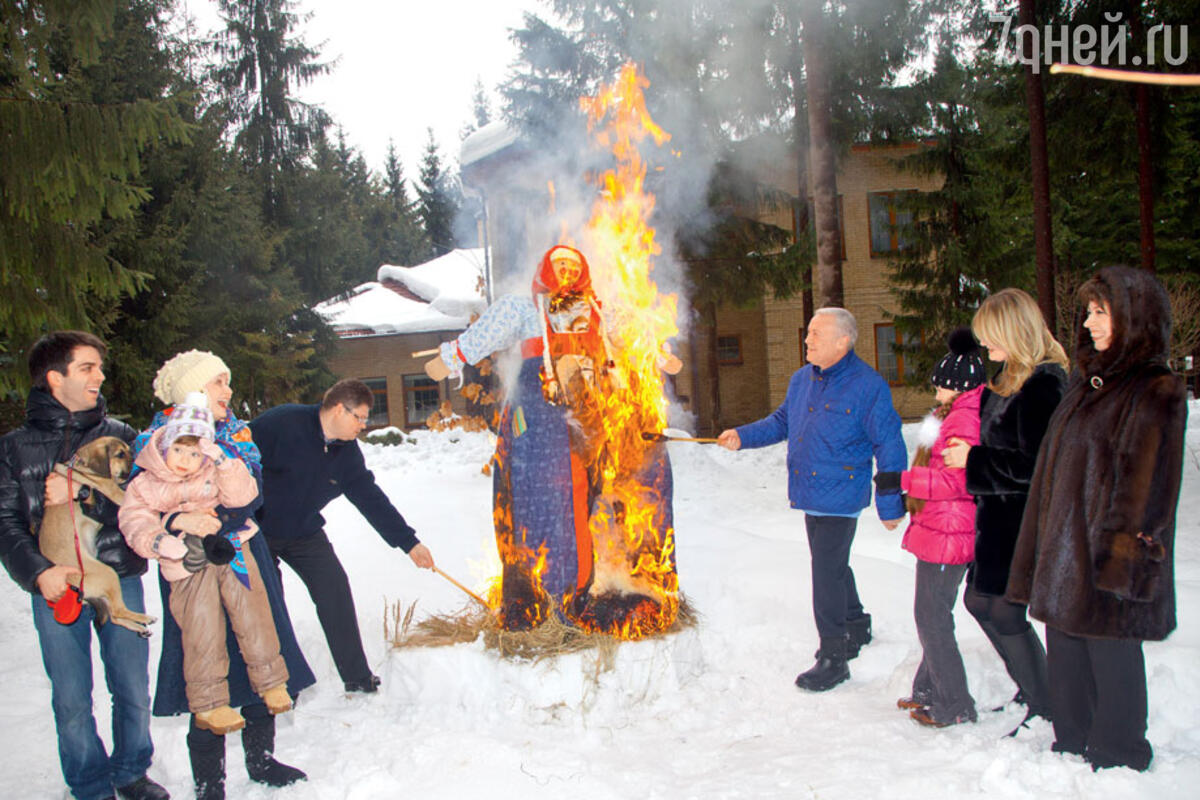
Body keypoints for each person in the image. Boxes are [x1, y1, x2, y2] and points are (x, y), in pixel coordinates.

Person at [423, 244, 678, 630]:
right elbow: (483, 334)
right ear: (545, 269)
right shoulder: (522, 309)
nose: (565, 272)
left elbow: (638, 336)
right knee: (550, 499)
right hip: (540, 415)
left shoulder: (599, 310)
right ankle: (551, 596)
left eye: (573, 266)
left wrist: (660, 355)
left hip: (592, 412)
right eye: (558, 265)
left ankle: (606, 584)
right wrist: (450, 357)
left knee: (607, 492)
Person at [1007, 266, 1186, 771]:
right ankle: (1073, 739)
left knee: (1112, 653)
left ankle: (1119, 751)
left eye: (1100, 312)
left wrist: (1122, 565)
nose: (1088, 322)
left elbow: (1149, 487)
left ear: (1134, 317)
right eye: (1088, 311)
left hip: (1109, 556)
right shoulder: (1086, 385)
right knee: (1065, 647)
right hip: (1066, 554)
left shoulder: (1155, 389)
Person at [134, 349, 314, 799]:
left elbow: (252, 495)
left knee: (258, 644)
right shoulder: (154, 441)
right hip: (189, 566)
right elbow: (140, 506)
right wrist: (177, 523)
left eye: (227, 381)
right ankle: (209, 780)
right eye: (217, 382)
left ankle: (261, 757)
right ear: (191, 390)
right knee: (202, 656)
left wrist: (227, 516)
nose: (227, 390)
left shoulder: (236, 433)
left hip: (241, 553)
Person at [0, 331, 168, 800]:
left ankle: (132, 772)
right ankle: (90, 785)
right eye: (87, 368)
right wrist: (39, 572)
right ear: (56, 378)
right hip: (57, 586)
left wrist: (85, 496)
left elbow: (145, 503)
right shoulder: (14, 448)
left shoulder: (123, 437)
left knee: (132, 685)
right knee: (72, 697)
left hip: (119, 575)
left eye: (99, 367)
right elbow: (4, 521)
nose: (100, 376)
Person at [717, 307, 907, 692]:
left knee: (825, 570)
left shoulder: (868, 386)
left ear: (844, 340)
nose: (808, 339)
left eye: (817, 334)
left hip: (842, 493)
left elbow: (889, 444)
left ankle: (833, 656)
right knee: (832, 564)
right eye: (809, 333)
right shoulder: (801, 380)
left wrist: (891, 502)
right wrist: (742, 436)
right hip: (809, 490)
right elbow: (781, 422)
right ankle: (856, 622)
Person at [120, 393, 292, 736]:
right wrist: (162, 540)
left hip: (232, 552)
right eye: (179, 450)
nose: (186, 460)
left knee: (254, 613)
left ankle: (272, 680)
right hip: (186, 562)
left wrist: (225, 463)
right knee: (202, 628)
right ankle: (210, 704)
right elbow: (134, 520)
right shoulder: (146, 482)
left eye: (195, 451)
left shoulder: (212, 468)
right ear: (163, 445)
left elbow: (244, 497)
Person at [250, 378, 435, 693]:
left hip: (304, 532)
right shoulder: (282, 423)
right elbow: (235, 458)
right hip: (258, 532)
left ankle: (357, 676)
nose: (363, 426)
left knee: (334, 590)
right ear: (338, 408)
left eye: (365, 419)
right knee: (269, 606)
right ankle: (280, 685)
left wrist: (409, 542)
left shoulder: (346, 453)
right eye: (359, 417)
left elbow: (369, 497)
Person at [942, 288, 1068, 732]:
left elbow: (1038, 467)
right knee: (979, 601)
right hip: (996, 520)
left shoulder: (1044, 384)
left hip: (1023, 521)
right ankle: (1032, 687)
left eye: (990, 336)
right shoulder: (1009, 378)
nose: (984, 345)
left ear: (1013, 331)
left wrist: (972, 460)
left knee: (1004, 611)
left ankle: (1047, 701)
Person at [874, 328, 985, 727]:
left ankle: (955, 704)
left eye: (941, 386)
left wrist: (902, 480)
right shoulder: (951, 415)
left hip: (950, 533)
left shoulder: (964, 421)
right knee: (932, 614)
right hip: (940, 529)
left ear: (957, 386)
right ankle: (928, 689)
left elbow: (956, 482)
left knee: (932, 617)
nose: (935, 391)